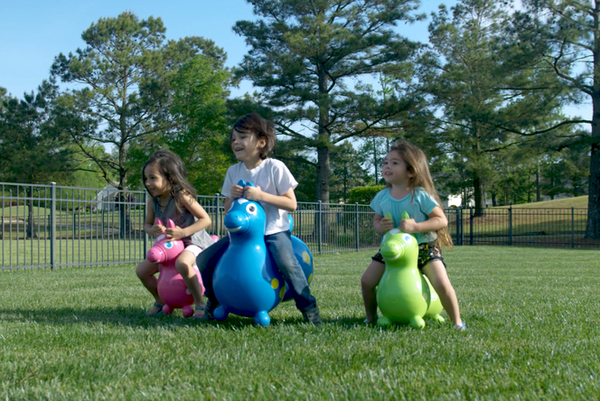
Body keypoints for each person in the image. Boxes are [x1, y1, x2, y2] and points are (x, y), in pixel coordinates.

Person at [197, 112, 322, 326]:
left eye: (242, 137)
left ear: (261, 141)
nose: (236, 142)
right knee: (204, 260)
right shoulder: (233, 171)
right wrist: (233, 198)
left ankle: (308, 308)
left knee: (287, 264)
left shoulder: (275, 167)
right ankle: (214, 301)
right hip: (241, 238)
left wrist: (260, 196)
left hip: (273, 232)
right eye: (233, 138)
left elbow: (292, 204)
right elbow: (227, 209)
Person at [361, 140, 465, 330]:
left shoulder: (420, 195)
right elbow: (376, 222)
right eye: (385, 162)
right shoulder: (382, 197)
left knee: (441, 283)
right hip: (394, 251)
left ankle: (457, 321)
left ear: (411, 171)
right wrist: (381, 226)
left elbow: (441, 220)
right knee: (366, 281)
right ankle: (371, 317)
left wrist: (416, 226)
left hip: (424, 246)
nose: (387, 166)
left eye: (394, 163)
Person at [136, 150, 215, 318]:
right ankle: (160, 299)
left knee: (182, 264)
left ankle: (200, 302)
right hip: (170, 246)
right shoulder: (153, 200)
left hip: (194, 242)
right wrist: (152, 230)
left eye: (153, 178)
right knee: (142, 271)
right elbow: (146, 225)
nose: (148, 183)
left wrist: (183, 232)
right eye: (145, 178)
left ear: (170, 178)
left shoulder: (181, 196)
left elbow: (205, 219)